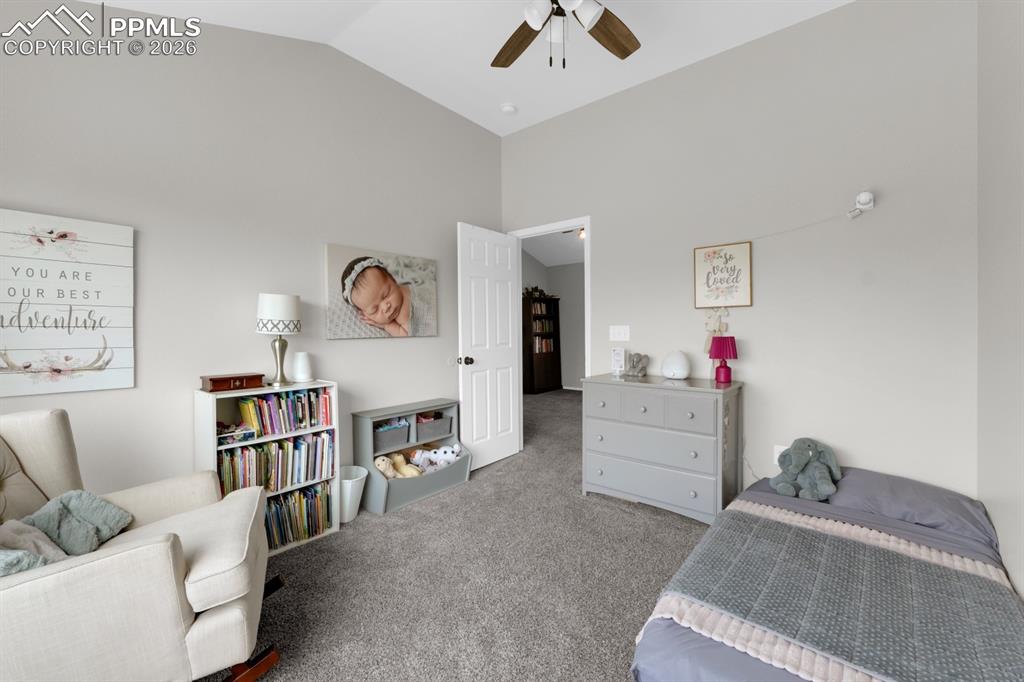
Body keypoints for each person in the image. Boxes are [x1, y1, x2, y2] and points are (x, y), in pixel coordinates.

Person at [341, 257, 413, 337]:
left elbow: (408, 336)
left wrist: (387, 326)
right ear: (366, 315)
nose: (386, 308)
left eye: (386, 295)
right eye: (374, 310)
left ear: (393, 279)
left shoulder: (403, 314)